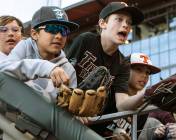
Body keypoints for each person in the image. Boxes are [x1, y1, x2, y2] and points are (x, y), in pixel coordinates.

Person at [0, 6, 104, 140]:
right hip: (12, 123)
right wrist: (46, 67)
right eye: (52, 29)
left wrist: (75, 112)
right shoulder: (25, 46)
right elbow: (3, 70)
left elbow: (63, 109)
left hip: (42, 131)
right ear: (34, 34)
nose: (59, 36)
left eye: (64, 31)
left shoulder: (68, 69)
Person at [64, 1, 145, 136]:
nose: (125, 25)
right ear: (103, 24)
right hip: (65, 110)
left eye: (129, 22)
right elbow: (64, 75)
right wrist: (73, 107)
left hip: (90, 123)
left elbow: (122, 105)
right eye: (119, 19)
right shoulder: (86, 40)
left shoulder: (123, 63)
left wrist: (146, 94)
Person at [108, 53, 160, 140]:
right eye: (139, 70)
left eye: (147, 72)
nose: (144, 75)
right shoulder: (111, 91)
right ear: (125, 70)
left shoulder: (144, 107)